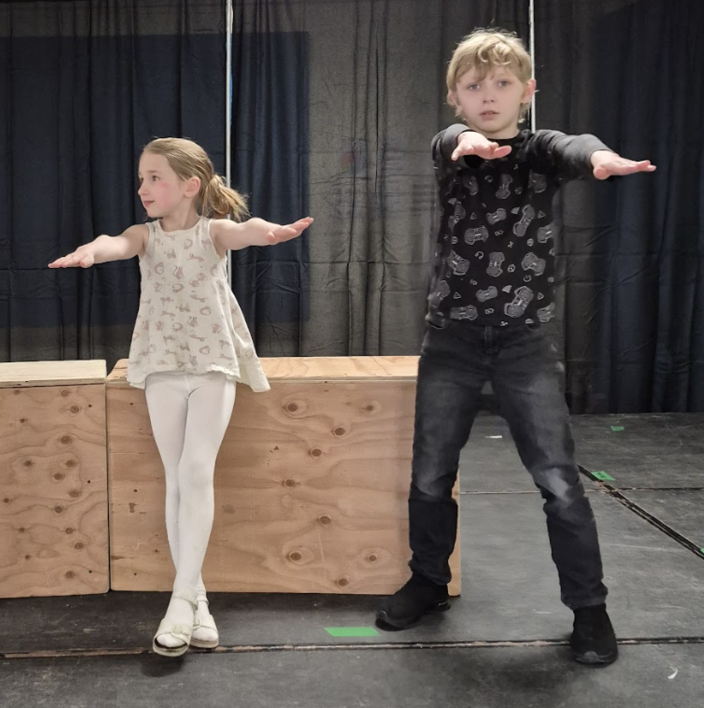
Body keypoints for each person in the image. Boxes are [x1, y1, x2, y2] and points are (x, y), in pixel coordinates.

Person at [375, 29, 655, 666]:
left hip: (525, 342)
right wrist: (469, 142)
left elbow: (573, 144)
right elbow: (451, 142)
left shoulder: (543, 153)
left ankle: (590, 610)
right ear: (456, 97)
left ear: (528, 92)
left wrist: (601, 158)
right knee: (429, 473)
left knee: (558, 481)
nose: (489, 95)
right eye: (474, 87)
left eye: (502, 84)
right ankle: (428, 580)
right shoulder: (451, 147)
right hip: (452, 339)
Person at [50, 137, 312, 657]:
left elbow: (245, 232)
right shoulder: (143, 236)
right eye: (142, 177)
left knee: (195, 471)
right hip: (163, 364)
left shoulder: (211, 231)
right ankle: (197, 599)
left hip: (212, 363)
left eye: (154, 178)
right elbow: (114, 243)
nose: (143, 187)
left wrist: (271, 234)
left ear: (189, 186)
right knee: (176, 479)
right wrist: (90, 252)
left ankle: (177, 601)